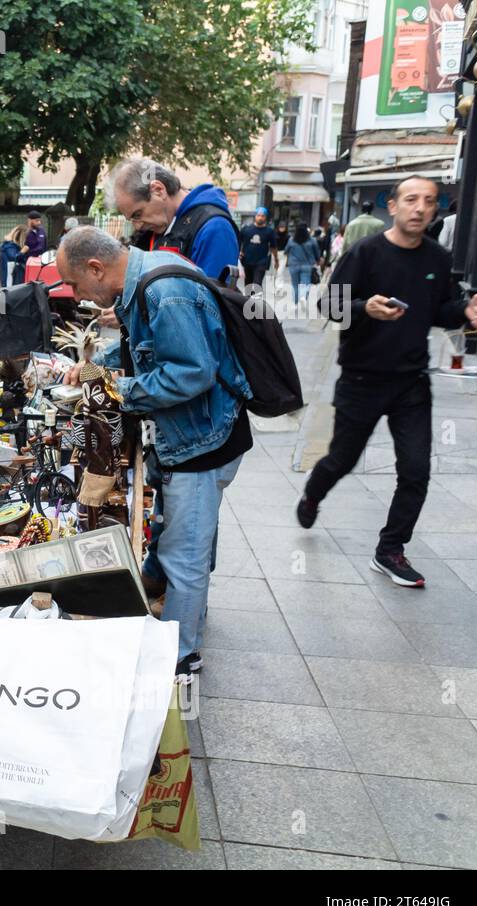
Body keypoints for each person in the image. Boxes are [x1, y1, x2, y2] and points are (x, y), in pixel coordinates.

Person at [57, 226, 253, 681]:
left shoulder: (166, 291)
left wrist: (114, 387)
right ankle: (173, 600)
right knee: (185, 534)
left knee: (186, 553)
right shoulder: (144, 278)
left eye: (74, 283)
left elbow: (191, 372)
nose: (75, 293)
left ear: (96, 268)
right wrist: (97, 366)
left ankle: (180, 657)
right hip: (190, 435)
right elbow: (144, 348)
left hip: (203, 441)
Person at [298, 175, 477, 587]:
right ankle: (315, 492)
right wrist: (363, 306)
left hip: (411, 382)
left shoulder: (438, 259)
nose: (420, 208)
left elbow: (440, 309)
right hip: (362, 378)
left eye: (428, 201)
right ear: (393, 206)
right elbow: (328, 305)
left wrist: (466, 313)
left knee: (416, 469)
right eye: (411, 200)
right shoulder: (365, 253)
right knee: (342, 460)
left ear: (435, 209)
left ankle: (390, 550)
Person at [107, 158, 240, 283]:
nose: (137, 226)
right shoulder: (162, 226)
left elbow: (212, 304)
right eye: (132, 219)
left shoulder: (215, 227)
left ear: (158, 190)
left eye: (137, 214)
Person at [238, 207, 277, 290]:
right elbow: (239, 241)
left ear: (265, 217)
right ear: (255, 216)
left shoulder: (269, 231)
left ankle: (256, 302)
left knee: (257, 283)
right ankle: (248, 301)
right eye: (258, 215)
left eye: (262, 216)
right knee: (248, 284)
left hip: (261, 262)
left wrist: (276, 260)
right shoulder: (246, 229)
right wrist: (239, 252)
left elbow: (273, 247)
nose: (260, 218)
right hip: (247, 261)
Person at [283, 223, 321, 307]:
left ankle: (295, 303)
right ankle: (303, 297)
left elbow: (286, 251)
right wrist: (318, 260)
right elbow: (317, 252)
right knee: (305, 282)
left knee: (295, 284)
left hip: (293, 265)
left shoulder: (291, 240)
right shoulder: (312, 240)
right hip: (307, 265)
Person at [15, 210, 46, 285]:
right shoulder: (25, 232)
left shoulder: (42, 231)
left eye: (39, 220)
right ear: (30, 221)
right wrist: (20, 255)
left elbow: (44, 245)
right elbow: (24, 247)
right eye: (36, 221)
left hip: (40, 262)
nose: (39, 223)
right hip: (28, 262)